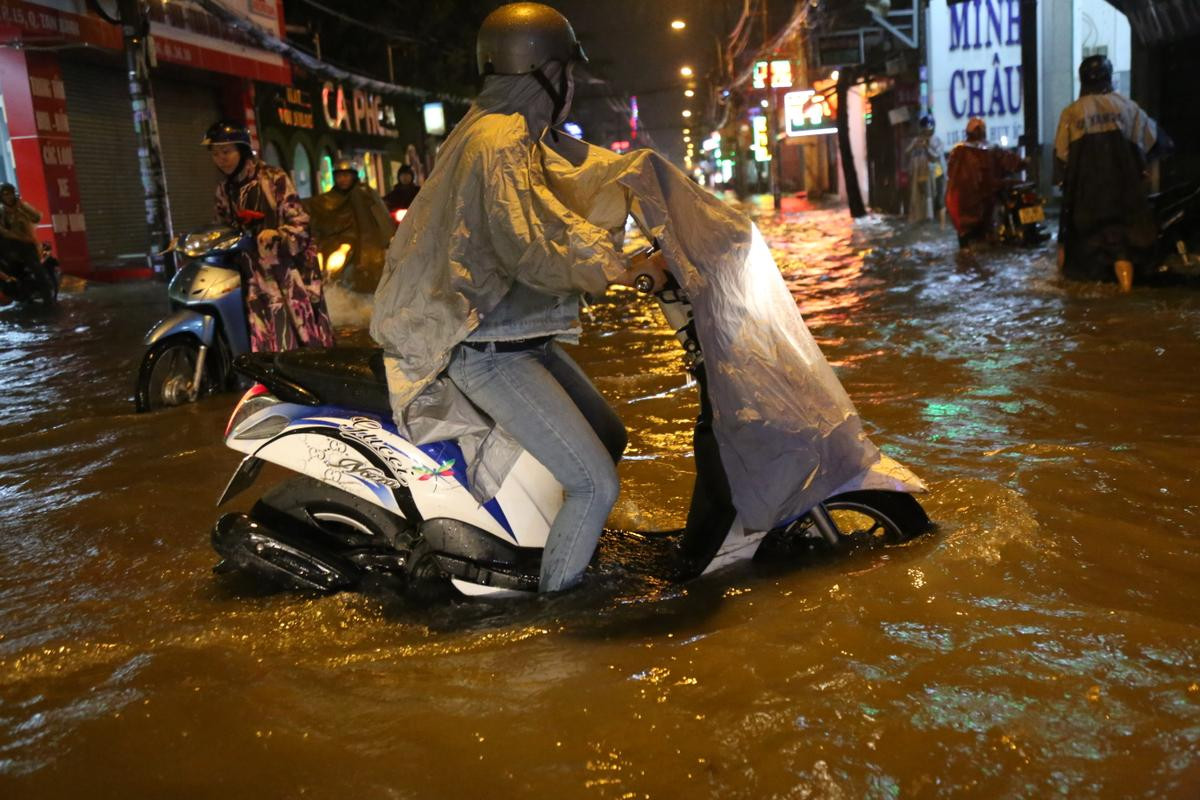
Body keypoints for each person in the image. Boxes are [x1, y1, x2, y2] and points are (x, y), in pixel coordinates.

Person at [371, 2, 667, 593]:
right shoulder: (499, 140)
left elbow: (577, 184)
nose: (573, 86)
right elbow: (532, 244)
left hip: (520, 338)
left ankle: (562, 542)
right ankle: (557, 618)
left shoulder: (518, 132)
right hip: (489, 349)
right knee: (596, 483)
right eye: (567, 73)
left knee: (608, 434)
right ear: (542, 72)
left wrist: (658, 204)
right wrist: (623, 268)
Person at [204, 122, 334, 352]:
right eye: (215, 154)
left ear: (242, 150)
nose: (221, 159)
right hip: (247, 271)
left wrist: (277, 234)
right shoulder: (224, 190)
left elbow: (300, 221)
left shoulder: (273, 178)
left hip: (285, 270)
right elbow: (221, 229)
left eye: (226, 152)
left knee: (297, 335)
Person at [1054, 55, 1169, 292]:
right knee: (1122, 247)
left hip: (1085, 196)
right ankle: (1125, 295)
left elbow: (1061, 155)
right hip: (1124, 192)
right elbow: (1155, 142)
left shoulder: (1072, 113)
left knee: (1072, 245)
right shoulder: (1127, 107)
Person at [309, 158, 395, 292]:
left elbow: (380, 216)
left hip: (361, 240)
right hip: (332, 241)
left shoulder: (364, 194)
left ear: (353, 176)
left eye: (346, 175)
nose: (342, 179)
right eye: (339, 176)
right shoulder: (328, 199)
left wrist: (386, 238)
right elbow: (315, 211)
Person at [945, 117, 1022, 249]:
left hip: (965, 207)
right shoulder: (990, 149)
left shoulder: (958, 151)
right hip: (985, 201)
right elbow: (1011, 162)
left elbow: (950, 173)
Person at [904, 115, 945, 223]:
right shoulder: (917, 140)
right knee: (920, 196)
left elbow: (935, 158)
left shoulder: (937, 140)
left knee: (936, 198)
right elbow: (906, 152)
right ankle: (923, 217)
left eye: (929, 130)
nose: (927, 133)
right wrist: (914, 146)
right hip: (920, 174)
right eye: (925, 131)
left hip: (936, 173)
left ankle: (936, 220)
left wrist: (926, 147)